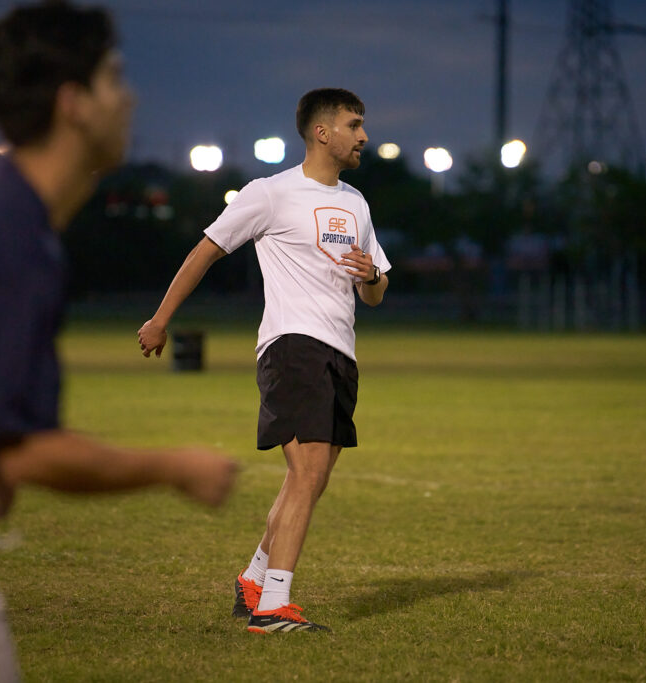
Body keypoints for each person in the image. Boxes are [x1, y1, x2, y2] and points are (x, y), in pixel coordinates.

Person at [0, 3, 237, 681]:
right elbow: (33, 450)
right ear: (73, 103)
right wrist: (175, 466)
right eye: (113, 79)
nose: (130, 98)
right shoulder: (11, 233)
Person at [138, 87, 391, 634]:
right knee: (307, 473)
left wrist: (371, 275)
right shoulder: (270, 193)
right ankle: (273, 606)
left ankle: (255, 579)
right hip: (292, 345)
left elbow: (375, 292)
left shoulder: (356, 202)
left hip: (340, 352)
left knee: (312, 478)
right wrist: (160, 319)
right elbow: (205, 251)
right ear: (321, 132)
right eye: (353, 125)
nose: (363, 136)